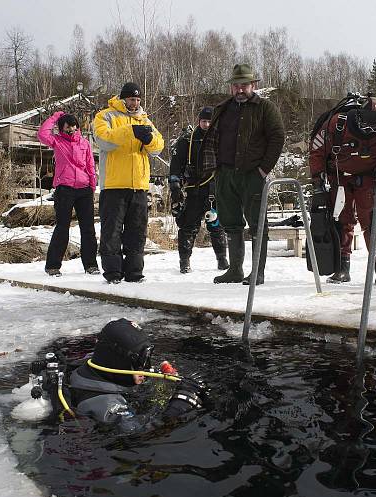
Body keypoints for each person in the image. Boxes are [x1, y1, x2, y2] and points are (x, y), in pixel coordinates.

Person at [199, 64, 285, 285]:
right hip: (225, 174)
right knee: (231, 222)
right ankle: (235, 270)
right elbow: (212, 139)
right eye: (236, 85)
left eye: (244, 85)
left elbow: (277, 138)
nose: (239, 90)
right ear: (231, 87)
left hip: (252, 175)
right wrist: (216, 171)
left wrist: (263, 169)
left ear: (253, 85)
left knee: (257, 223)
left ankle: (258, 272)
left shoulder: (266, 108)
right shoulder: (222, 108)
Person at [33, 319, 204, 426]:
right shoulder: (105, 402)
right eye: (139, 361)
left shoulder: (93, 366)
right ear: (117, 361)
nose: (145, 367)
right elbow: (135, 431)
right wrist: (177, 408)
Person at [309, 95, 376, 285]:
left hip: (369, 180)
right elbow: (317, 151)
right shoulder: (337, 124)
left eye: (374, 126)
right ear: (358, 116)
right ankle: (342, 268)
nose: (369, 129)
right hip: (339, 178)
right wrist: (317, 184)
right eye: (366, 124)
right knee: (342, 221)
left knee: (373, 222)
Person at [93, 82, 164, 284]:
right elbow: (103, 140)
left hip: (139, 185)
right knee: (112, 231)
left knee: (137, 231)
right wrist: (130, 131)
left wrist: (149, 138)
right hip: (114, 185)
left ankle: (134, 273)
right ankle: (113, 273)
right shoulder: (105, 116)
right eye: (132, 99)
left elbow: (158, 147)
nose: (135, 103)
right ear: (123, 99)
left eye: (138, 100)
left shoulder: (145, 119)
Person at [37, 111, 99, 277]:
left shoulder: (85, 143)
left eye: (74, 127)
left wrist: (92, 185)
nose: (72, 130)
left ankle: (91, 265)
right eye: (68, 128)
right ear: (61, 129)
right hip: (64, 189)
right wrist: (55, 117)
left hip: (84, 189)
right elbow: (42, 134)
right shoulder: (57, 141)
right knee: (62, 227)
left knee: (88, 229)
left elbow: (90, 165)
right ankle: (53, 266)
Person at [169, 107, 228, 274]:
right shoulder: (187, 141)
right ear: (198, 121)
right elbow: (176, 165)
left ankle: (222, 260)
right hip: (193, 190)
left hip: (213, 190)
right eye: (204, 121)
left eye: (210, 122)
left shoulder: (220, 140)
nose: (206, 124)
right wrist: (174, 184)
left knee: (216, 226)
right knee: (188, 227)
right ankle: (184, 261)